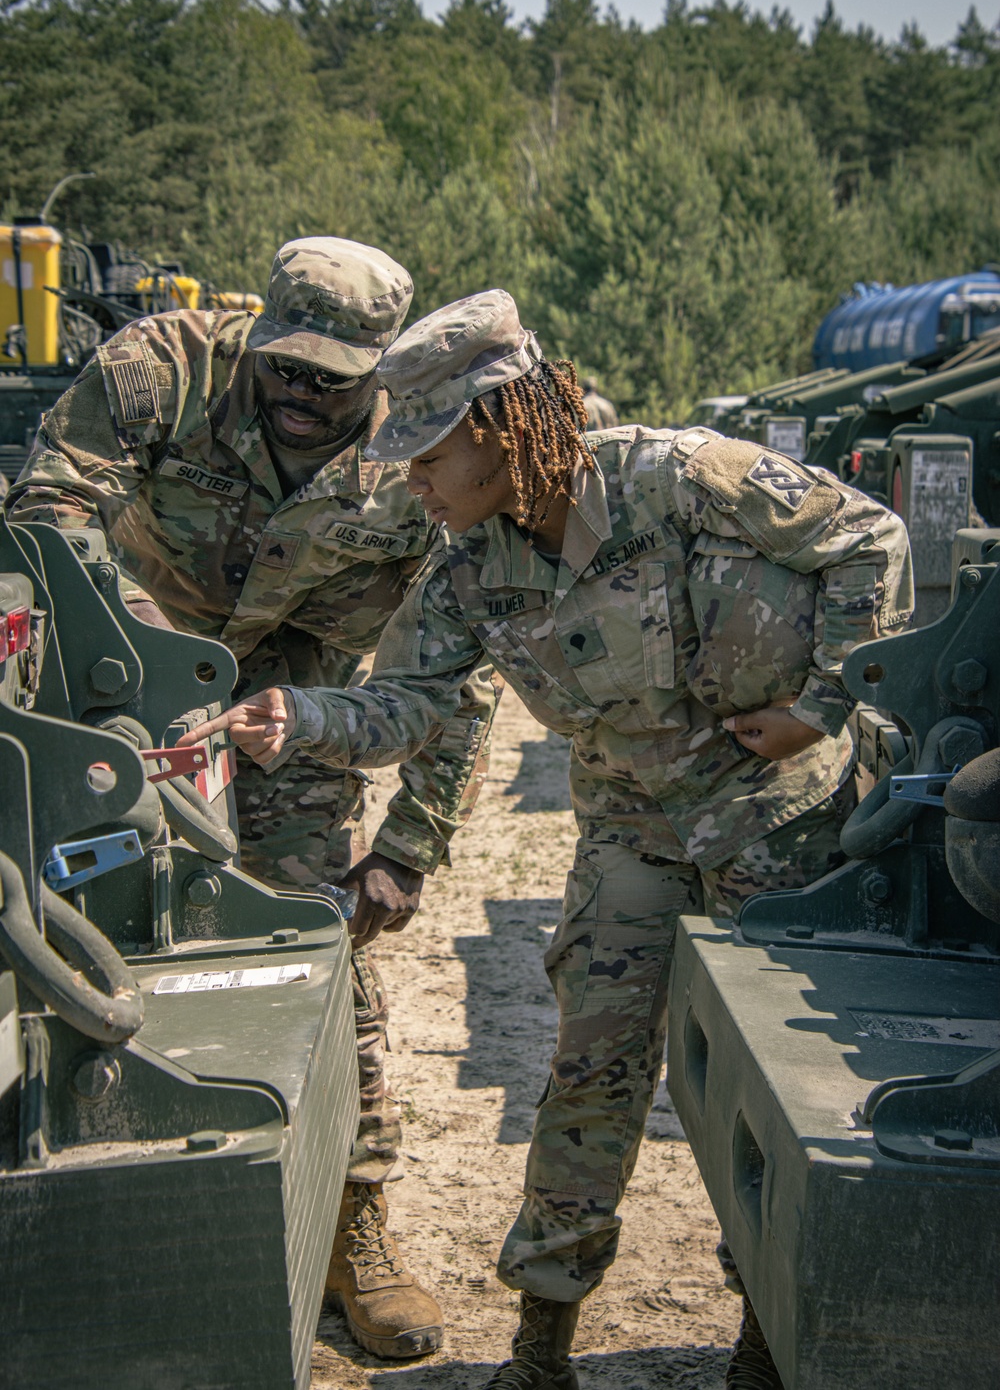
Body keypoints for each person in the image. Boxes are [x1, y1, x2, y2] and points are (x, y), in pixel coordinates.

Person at [182, 289, 914, 1389]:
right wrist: (304, 720)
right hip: (634, 828)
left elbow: (870, 537)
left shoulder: (676, 477)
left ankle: (766, 1341)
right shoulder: (469, 568)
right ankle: (542, 1348)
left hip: (785, 825)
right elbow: (409, 703)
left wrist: (820, 704)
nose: (411, 485)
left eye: (425, 457)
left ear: (491, 427)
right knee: (588, 1076)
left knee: (775, 1093)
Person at [4, 239, 503, 1363]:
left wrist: (410, 848)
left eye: (331, 379)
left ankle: (355, 1226)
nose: (299, 393)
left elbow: (453, 667)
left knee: (313, 946)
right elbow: (46, 519)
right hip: (120, 683)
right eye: (286, 366)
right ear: (261, 334)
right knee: (66, 935)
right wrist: (146, 654)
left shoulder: (419, 451)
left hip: (295, 712)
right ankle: (76, 1207)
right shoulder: (158, 370)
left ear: (379, 370)